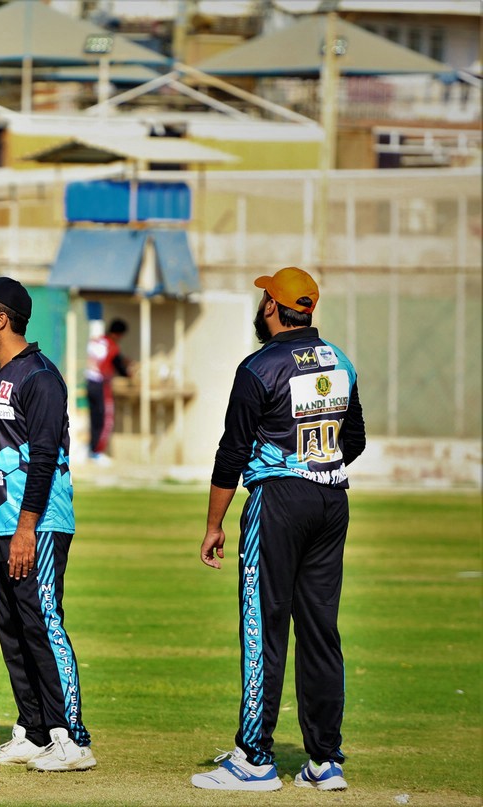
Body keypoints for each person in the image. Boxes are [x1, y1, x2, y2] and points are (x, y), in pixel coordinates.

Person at [192, 266, 365, 792]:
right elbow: (354, 439)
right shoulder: (340, 361)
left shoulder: (259, 366)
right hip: (331, 500)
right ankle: (324, 761)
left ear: (272, 305)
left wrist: (214, 524)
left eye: (264, 298)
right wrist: (317, 466)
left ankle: (254, 759)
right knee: (320, 631)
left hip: (279, 503)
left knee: (262, 627)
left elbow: (232, 451)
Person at [0, 277, 97, 773]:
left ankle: (71, 738)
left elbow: (43, 459)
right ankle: (35, 730)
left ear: (0, 320)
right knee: (13, 629)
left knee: (43, 623)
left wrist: (25, 528)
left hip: (37, 524)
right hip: (6, 525)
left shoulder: (40, 376)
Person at [85, 318, 130, 465]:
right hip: (101, 385)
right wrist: (129, 373)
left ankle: (92, 450)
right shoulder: (111, 346)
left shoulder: (96, 341)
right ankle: (97, 452)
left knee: (94, 419)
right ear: (118, 334)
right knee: (105, 419)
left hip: (89, 382)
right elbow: (118, 367)